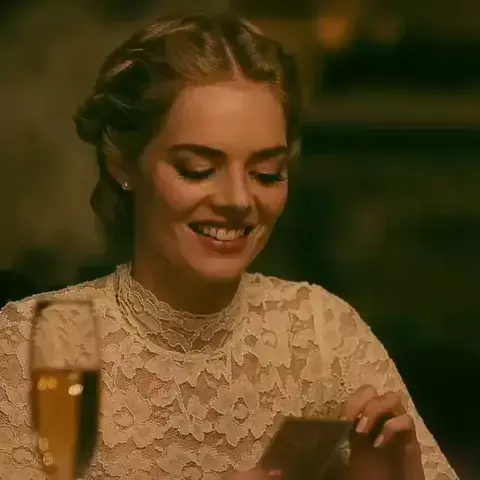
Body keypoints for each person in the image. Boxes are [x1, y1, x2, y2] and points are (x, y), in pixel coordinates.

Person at [0, 13, 458, 480]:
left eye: (266, 174)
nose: (238, 201)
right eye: (198, 169)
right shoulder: (30, 344)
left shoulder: (322, 332)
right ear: (124, 164)